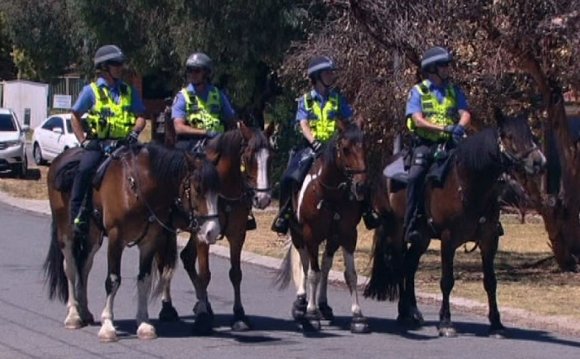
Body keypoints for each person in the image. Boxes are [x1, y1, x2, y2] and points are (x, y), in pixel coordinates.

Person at [271, 55, 380, 235]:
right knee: (289, 177)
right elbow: (303, 124)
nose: (331, 76)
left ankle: (368, 210)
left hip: (336, 148)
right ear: (317, 77)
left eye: (331, 73)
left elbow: (349, 119)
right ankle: (284, 213)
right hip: (311, 147)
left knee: (360, 173)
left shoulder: (337, 98)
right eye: (327, 73)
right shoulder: (305, 100)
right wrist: (314, 142)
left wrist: (357, 125)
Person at [69, 44, 146, 233]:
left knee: (148, 166)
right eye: (115, 64)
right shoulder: (90, 91)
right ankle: (77, 214)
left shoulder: (128, 91)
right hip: (99, 143)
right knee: (85, 169)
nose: (120, 67)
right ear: (104, 67)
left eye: (121, 63)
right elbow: (75, 115)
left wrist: (135, 132)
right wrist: (83, 141)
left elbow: (141, 117)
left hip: (125, 143)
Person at [403, 46, 471, 243]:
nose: (448, 69)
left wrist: (459, 126)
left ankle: (486, 218)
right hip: (425, 144)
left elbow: (465, 113)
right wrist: (442, 128)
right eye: (444, 65)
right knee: (415, 176)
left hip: (451, 142)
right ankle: (412, 222)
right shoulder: (418, 91)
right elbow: (417, 119)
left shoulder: (453, 90)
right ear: (433, 68)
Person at [171, 52, 236, 151]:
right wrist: (205, 132)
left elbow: (231, 120)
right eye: (189, 70)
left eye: (196, 71)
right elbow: (179, 127)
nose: (192, 74)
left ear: (206, 73)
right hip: (192, 142)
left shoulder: (218, 94)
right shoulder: (182, 96)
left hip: (219, 141)